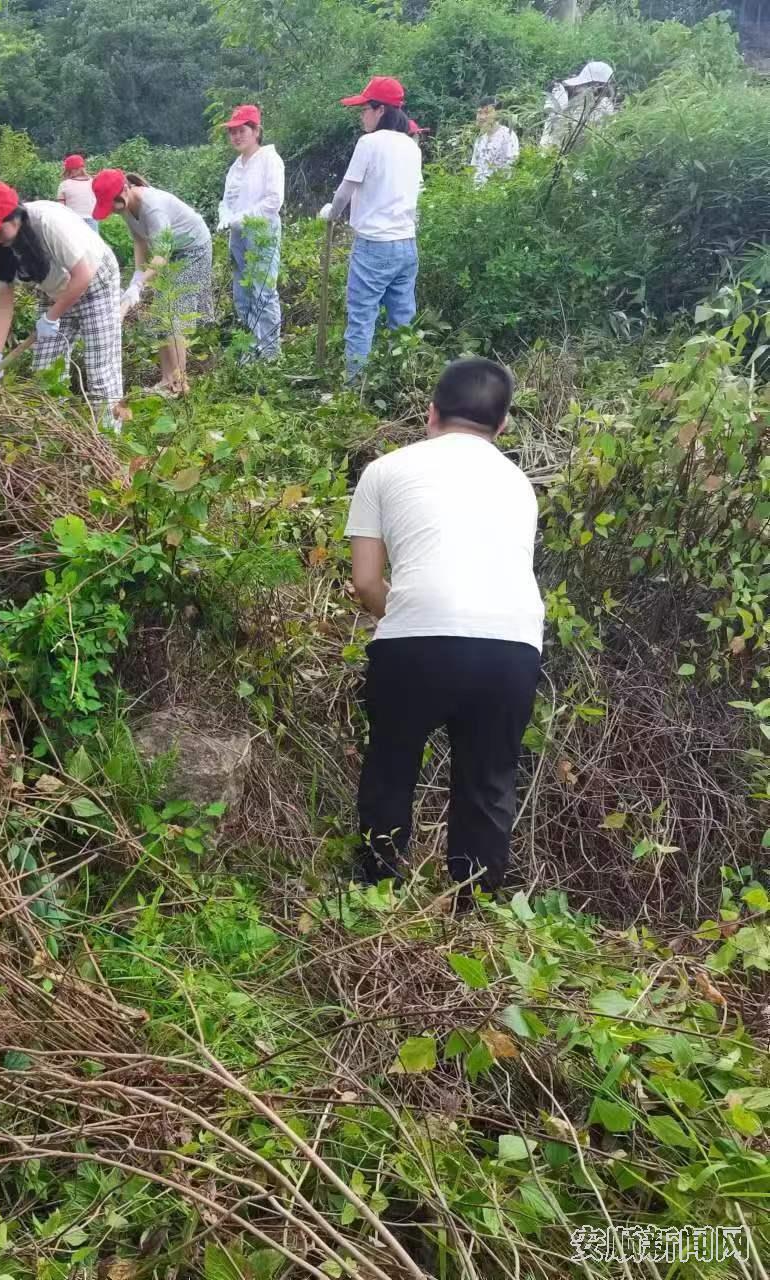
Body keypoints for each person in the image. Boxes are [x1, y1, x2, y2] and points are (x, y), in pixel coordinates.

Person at [347, 358, 543, 896]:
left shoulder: (385, 471)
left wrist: (410, 617)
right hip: (513, 647)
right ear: (502, 426)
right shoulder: (520, 485)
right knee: (487, 782)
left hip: (414, 646)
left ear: (430, 412)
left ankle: (376, 891)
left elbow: (366, 583)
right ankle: (472, 906)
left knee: (392, 764)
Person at [0, 180, 124, 423]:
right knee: (45, 372)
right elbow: (3, 302)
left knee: (99, 370)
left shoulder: (48, 222)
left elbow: (82, 275)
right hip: (55, 289)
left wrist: (52, 316)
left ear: (15, 217)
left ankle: (108, 441)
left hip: (95, 283)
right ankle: (54, 436)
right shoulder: (0, 246)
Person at [321, 76, 423, 379]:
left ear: (380, 110)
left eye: (364, 109)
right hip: (406, 243)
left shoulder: (369, 143)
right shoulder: (411, 146)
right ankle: (406, 382)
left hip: (374, 245)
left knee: (362, 318)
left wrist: (331, 214)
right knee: (403, 319)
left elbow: (345, 190)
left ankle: (355, 391)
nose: (361, 115)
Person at [93, 169, 213, 397]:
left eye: (113, 205)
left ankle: (180, 385)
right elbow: (140, 240)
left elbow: (162, 256)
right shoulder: (127, 207)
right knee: (160, 315)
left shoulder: (153, 208)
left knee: (173, 314)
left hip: (192, 250)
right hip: (169, 251)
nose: (113, 211)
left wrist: (140, 285)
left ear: (125, 191)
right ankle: (167, 380)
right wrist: (137, 276)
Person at [217, 103, 285, 361]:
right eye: (232, 131)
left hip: (262, 232)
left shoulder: (270, 159)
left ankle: (270, 354)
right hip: (238, 235)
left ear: (256, 131)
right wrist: (225, 216)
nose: (235, 136)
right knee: (242, 293)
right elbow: (227, 200)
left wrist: (240, 218)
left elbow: (273, 201)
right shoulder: (235, 167)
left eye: (241, 130)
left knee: (263, 291)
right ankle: (251, 349)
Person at [471, 99, 520, 185]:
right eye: (479, 113)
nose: (482, 117)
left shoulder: (508, 135)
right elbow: (474, 167)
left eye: (487, 113)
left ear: (497, 114)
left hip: (498, 191)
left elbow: (512, 165)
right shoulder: (479, 140)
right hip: (477, 193)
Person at [57, 155, 97, 228]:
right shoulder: (93, 182)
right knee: (92, 239)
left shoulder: (64, 184)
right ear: (82, 168)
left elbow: (61, 208)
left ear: (67, 170)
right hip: (91, 219)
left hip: (72, 220)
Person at [538, 79, 570, 151]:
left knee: (555, 140)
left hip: (558, 118)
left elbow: (562, 106)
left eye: (556, 87)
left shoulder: (562, 92)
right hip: (552, 117)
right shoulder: (555, 93)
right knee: (546, 138)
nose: (554, 89)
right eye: (554, 87)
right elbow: (547, 107)